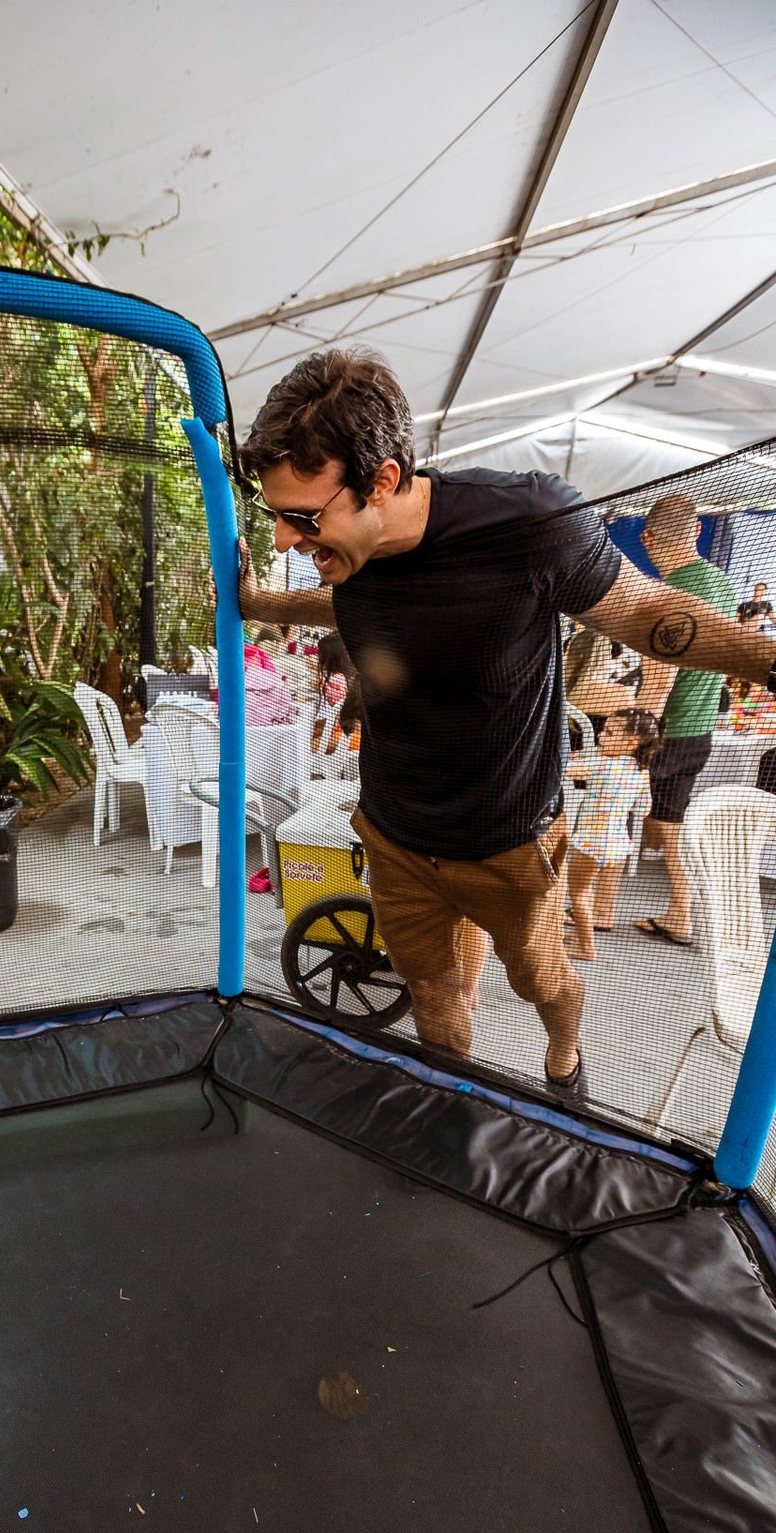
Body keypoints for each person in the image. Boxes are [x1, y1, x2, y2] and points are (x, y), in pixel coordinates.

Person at [235, 348, 776, 1094]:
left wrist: (769, 662)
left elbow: (647, 612)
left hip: (511, 845)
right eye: (276, 518)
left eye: (302, 518)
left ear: (382, 482)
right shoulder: (351, 565)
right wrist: (259, 603)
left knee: (544, 985)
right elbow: (345, 605)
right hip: (396, 838)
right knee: (433, 994)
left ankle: (565, 1061)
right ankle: (458, 1103)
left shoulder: (527, 522)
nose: (284, 540)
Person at [631, 495, 739, 948]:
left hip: (668, 730)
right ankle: (681, 912)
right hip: (700, 731)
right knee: (670, 821)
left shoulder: (670, 594)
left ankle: (586, 911)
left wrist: (634, 737)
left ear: (647, 539)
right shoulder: (724, 585)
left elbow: (660, 677)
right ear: (696, 531)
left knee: (607, 811)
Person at [565, 707, 660, 960]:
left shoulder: (601, 763)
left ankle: (587, 948)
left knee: (579, 894)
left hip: (590, 842)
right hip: (619, 844)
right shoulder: (642, 771)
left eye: (609, 732)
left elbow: (564, 769)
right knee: (590, 892)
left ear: (631, 742)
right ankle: (583, 934)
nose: (599, 735)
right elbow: (643, 809)